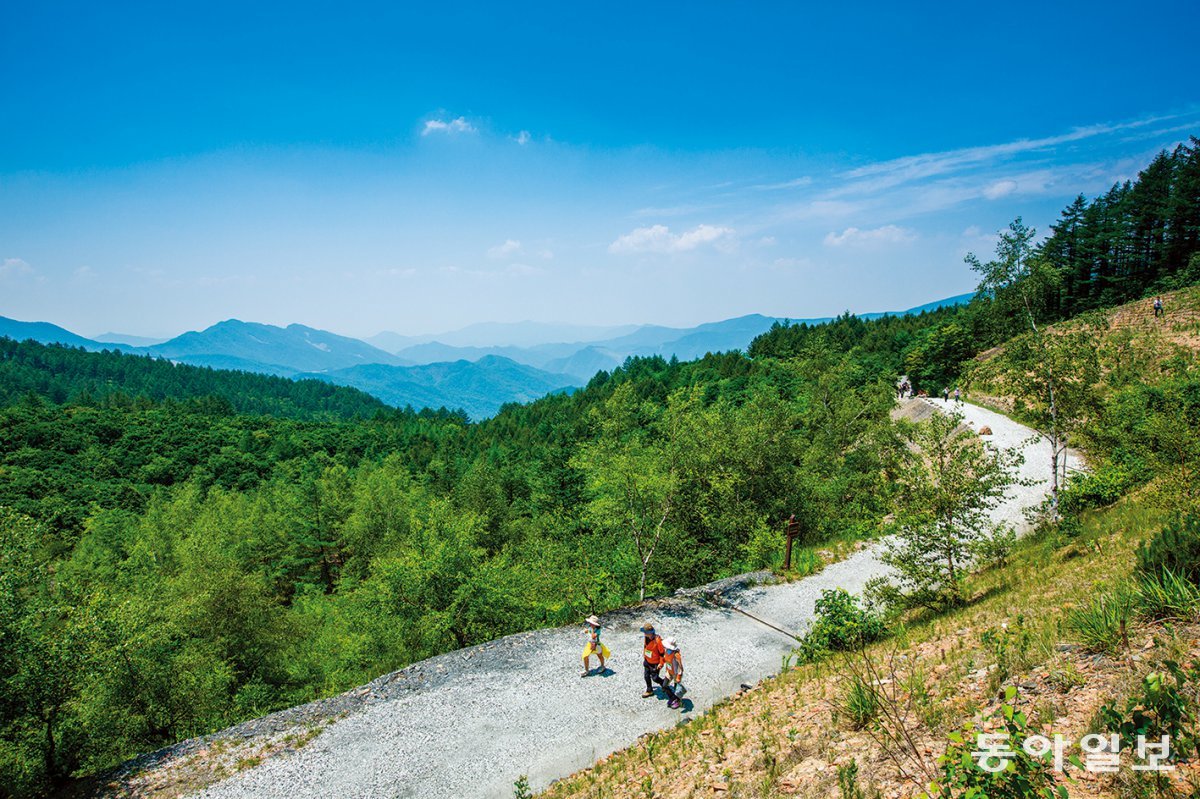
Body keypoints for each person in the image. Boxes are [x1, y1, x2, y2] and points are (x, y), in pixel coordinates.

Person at [640, 622, 679, 704]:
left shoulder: (657, 641)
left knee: (655, 678)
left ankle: (665, 687)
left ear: (649, 633)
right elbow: (645, 647)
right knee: (646, 676)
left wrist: (661, 663)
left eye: (645, 632)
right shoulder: (646, 638)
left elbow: (662, 654)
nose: (644, 634)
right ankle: (649, 690)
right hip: (647, 661)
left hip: (655, 663)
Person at [661, 637, 684, 709]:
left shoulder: (676, 654)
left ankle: (676, 700)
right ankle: (673, 698)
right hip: (669, 672)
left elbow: (680, 667)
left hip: (676, 674)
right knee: (664, 685)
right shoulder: (667, 651)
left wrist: (679, 676)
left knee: (676, 689)